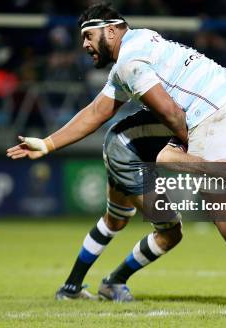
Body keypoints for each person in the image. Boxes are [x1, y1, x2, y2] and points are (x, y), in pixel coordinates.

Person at [7, 3, 226, 307]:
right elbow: (98, 111)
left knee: (211, 203)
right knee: (194, 214)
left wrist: (188, 147)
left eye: (89, 36)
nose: (84, 45)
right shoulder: (143, 44)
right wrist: (50, 143)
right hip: (214, 114)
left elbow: (171, 113)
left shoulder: (130, 62)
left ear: (110, 30)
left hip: (168, 134)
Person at [53, 109, 182, 301]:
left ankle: (71, 288)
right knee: (170, 232)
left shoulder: (189, 100)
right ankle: (114, 282)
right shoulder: (199, 114)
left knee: (115, 220)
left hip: (121, 141)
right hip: (128, 152)